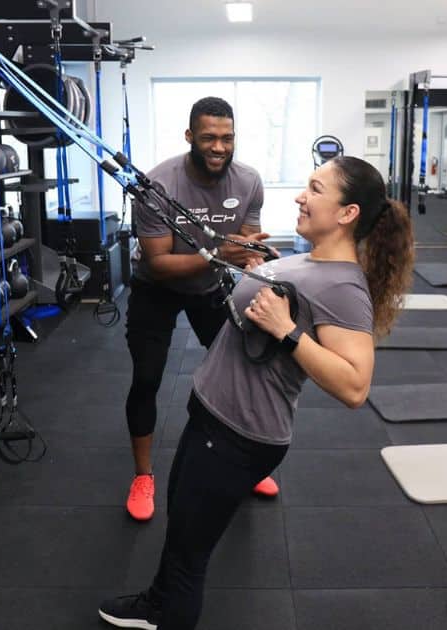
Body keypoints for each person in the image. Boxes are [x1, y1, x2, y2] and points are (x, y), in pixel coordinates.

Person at [99, 156, 416, 629]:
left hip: (238, 436)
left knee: (190, 554)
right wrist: (256, 267)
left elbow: (355, 386)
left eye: (314, 188)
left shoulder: (345, 287)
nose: (300, 196)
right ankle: (156, 602)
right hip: (212, 416)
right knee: (181, 530)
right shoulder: (308, 259)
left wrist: (287, 331)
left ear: (347, 213)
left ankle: (168, 613)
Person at [124, 96, 278, 522]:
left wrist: (257, 255)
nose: (219, 147)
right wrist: (220, 253)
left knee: (242, 371)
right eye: (209, 137)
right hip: (156, 288)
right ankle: (143, 476)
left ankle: (245, 466)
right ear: (190, 136)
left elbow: (246, 246)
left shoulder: (248, 181)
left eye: (227, 138)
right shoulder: (157, 186)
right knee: (147, 378)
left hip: (208, 286)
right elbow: (158, 262)